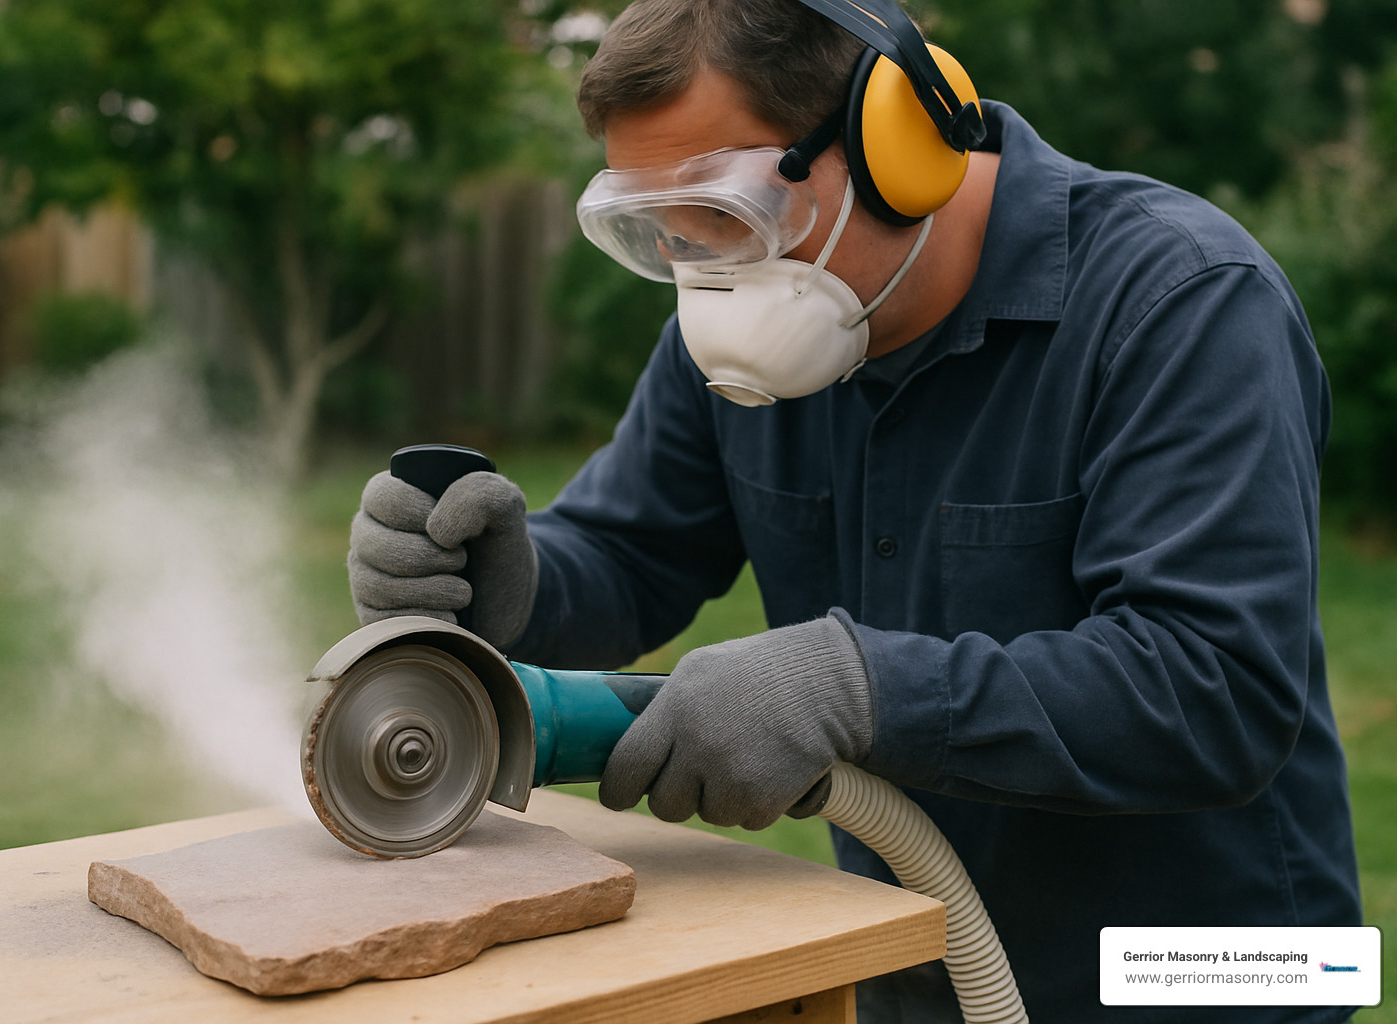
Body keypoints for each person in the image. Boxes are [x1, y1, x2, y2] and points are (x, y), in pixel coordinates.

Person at [346, 0, 1361, 1020]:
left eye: (727, 214)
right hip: (918, 967)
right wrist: (510, 580)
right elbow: (634, 549)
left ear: (895, 147)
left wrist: (861, 687)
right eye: (660, 230)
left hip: (1203, 978)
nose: (703, 269)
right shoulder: (756, 319)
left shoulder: (1182, 300)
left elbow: (1219, 690)